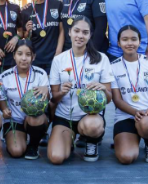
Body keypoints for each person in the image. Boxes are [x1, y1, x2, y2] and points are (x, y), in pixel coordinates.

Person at [47, 16, 114, 164]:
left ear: (90, 35)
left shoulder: (101, 59)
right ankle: (68, 140)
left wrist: (103, 88)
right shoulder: (59, 60)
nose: (80, 36)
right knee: (56, 158)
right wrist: (62, 92)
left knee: (93, 126)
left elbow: (109, 99)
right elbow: (53, 99)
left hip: (89, 116)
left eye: (85, 32)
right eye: (76, 31)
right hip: (65, 117)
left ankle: (92, 141)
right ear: (70, 32)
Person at [110, 25, 148, 164]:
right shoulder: (113, 67)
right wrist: (135, 112)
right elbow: (117, 100)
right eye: (125, 39)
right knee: (126, 157)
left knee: (147, 125)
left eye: (134, 39)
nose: (129, 43)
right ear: (119, 43)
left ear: (139, 42)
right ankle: (133, 139)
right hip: (126, 116)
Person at [0, 40, 50, 160]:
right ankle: (11, 136)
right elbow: (2, 99)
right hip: (14, 120)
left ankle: (33, 145)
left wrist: (46, 90)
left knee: (35, 118)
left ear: (33, 57)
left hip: (34, 119)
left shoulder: (41, 74)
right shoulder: (5, 76)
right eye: (20, 54)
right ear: (14, 55)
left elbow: (48, 102)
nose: (23, 58)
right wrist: (4, 109)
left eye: (28, 54)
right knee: (16, 151)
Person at [21, 0, 64, 76]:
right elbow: (24, 36)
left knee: (54, 89)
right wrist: (27, 31)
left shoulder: (57, 4)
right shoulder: (25, 10)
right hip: (35, 58)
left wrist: (58, 52)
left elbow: (62, 30)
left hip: (54, 56)